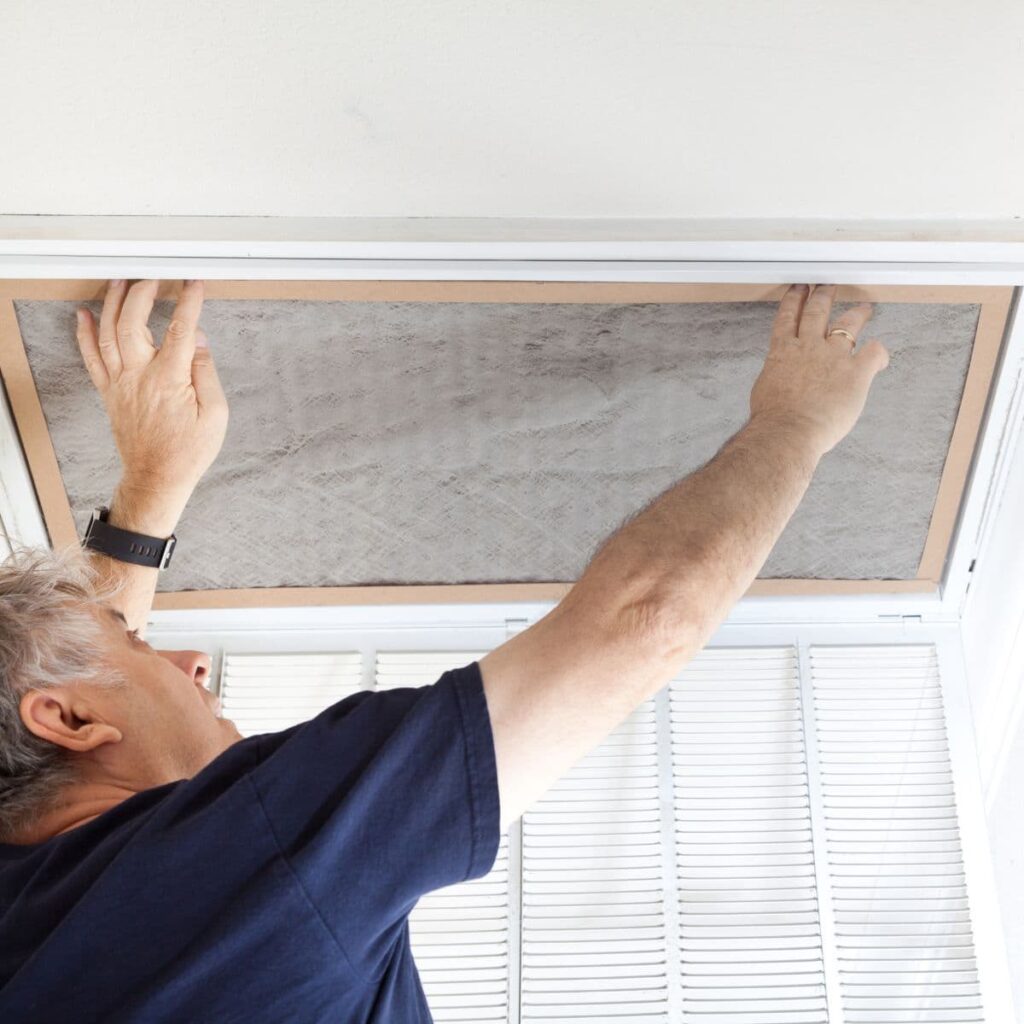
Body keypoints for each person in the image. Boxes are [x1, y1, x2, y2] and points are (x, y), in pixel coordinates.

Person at [0, 278, 889, 1022]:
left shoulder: (204, 868)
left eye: (143, 637)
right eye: (140, 640)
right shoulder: (242, 865)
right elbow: (644, 617)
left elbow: (650, 620)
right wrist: (793, 422)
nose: (195, 663)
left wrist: (152, 495)